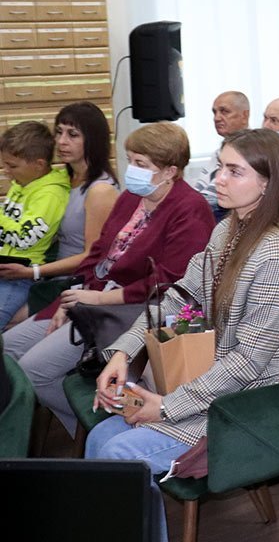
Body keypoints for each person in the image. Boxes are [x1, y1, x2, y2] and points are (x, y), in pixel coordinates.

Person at [86, 129, 279, 542]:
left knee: (118, 454)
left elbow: (250, 362)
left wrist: (168, 407)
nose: (219, 179)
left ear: (268, 183)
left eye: (234, 171)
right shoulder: (228, 229)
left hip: (259, 400)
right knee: (100, 435)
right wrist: (123, 353)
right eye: (220, 167)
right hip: (226, 381)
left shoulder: (278, 253)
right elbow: (180, 296)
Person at [4, 122, 214, 435]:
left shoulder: (190, 209)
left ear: (171, 171)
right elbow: (99, 251)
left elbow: (171, 282)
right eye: (131, 161)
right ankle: (97, 427)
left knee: (34, 371)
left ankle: (103, 430)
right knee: (7, 348)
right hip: (90, 298)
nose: (132, 171)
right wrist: (73, 296)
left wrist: (96, 299)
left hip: (126, 310)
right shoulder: (132, 197)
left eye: (142, 165)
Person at [0, 104, 119, 319]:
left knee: (8, 331)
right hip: (45, 275)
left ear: (92, 140)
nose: (61, 141)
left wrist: (32, 272)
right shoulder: (59, 178)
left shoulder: (100, 190)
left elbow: (93, 256)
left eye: (72, 135)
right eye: (59, 132)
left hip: (73, 283)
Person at [0, 122, 71, 327]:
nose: (6, 171)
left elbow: (24, 238)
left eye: (12, 166)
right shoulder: (22, 184)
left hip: (18, 278)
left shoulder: (50, 194)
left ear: (39, 165)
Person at [189, 91, 251, 216]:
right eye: (214, 112)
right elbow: (199, 192)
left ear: (244, 115)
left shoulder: (251, 151)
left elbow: (213, 201)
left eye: (224, 111)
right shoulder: (219, 152)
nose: (216, 118)